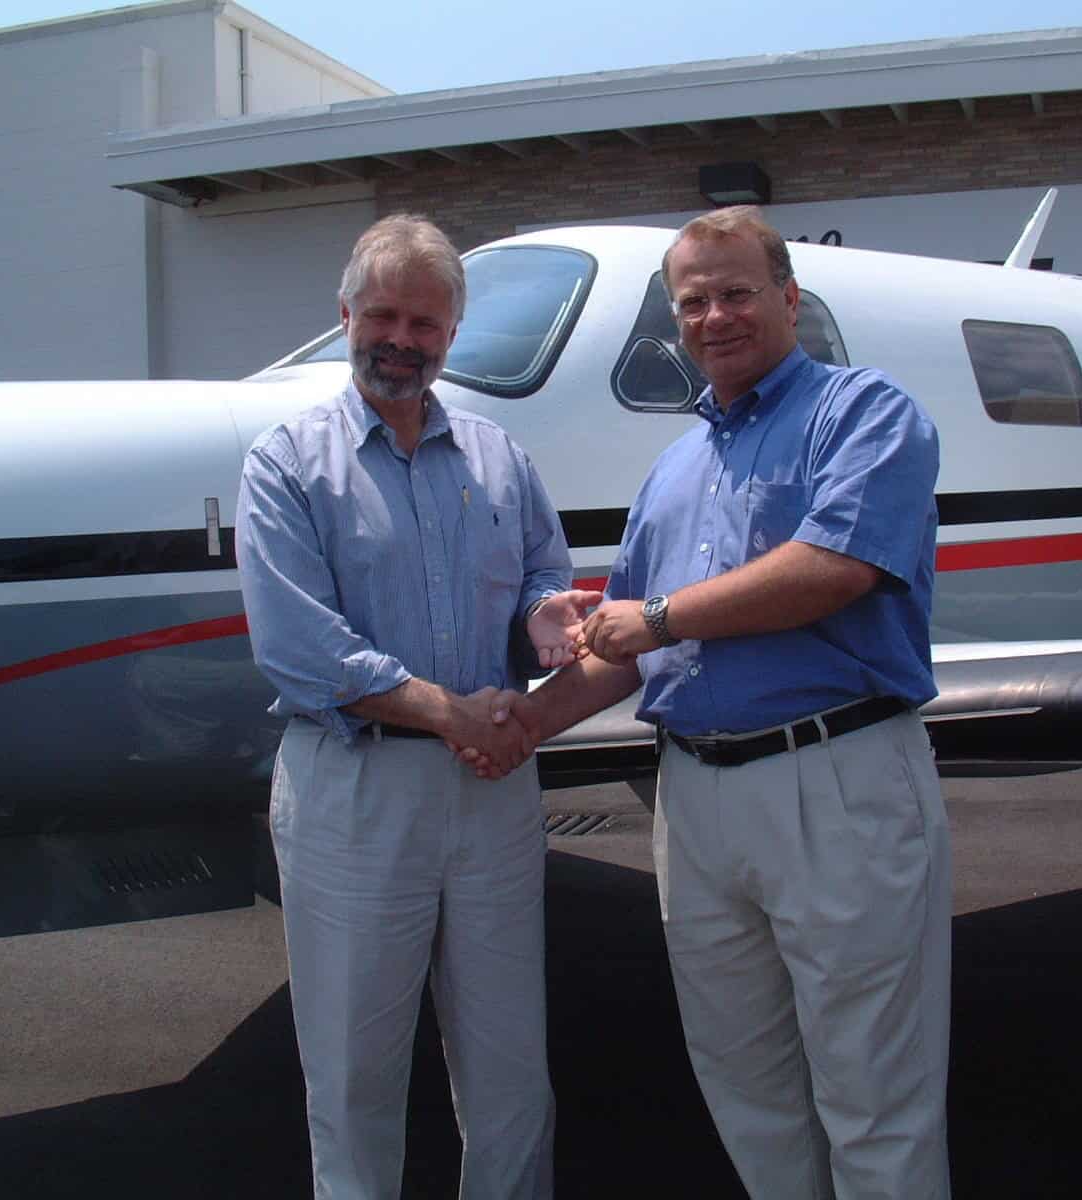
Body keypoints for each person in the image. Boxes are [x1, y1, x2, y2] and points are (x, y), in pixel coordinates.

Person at [476, 206, 950, 1198]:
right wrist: (522, 722)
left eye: (736, 292)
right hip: (693, 797)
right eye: (692, 302)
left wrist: (650, 616)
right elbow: (628, 651)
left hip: (834, 781)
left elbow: (832, 569)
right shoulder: (676, 467)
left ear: (788, 298)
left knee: (873, 1090)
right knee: (744, 1079)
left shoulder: (865, 414)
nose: (714, 316)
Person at [235, 213, 598, 1200]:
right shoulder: (285, 465)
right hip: (355, 793)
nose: (402, 339)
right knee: (354, 1077)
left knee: (512, 1067)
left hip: (488, 794)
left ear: (454, 331)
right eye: (383, 315)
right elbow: (302, 650)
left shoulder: (498, 458)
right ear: (346, 313)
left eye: (426, 323)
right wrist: (450, 713)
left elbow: (539, 578)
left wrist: (547, 619)